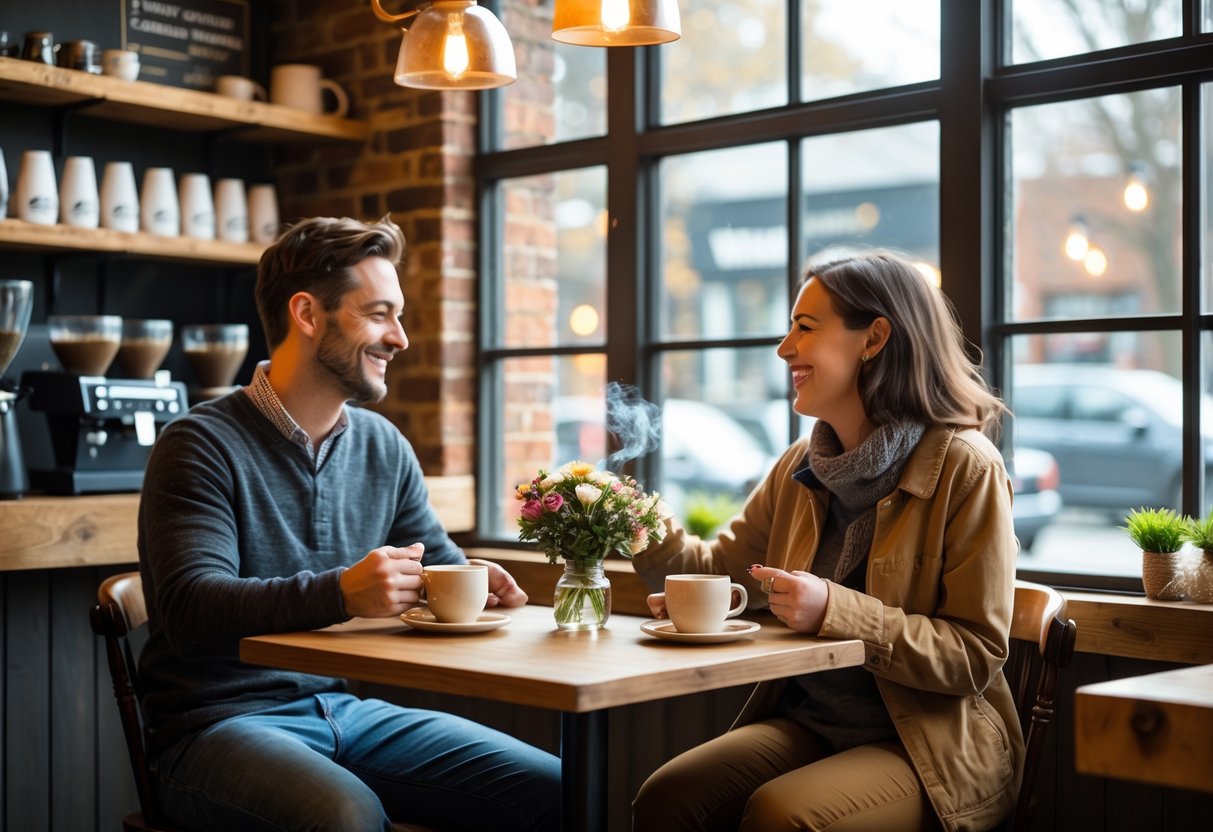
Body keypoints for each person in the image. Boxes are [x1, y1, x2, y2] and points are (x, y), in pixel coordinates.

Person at [137, 216, 560, 832]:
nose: (401, 338)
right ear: (307, 314)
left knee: (557, 789)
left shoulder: (383, 446)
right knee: (346, 817)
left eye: (399, 316)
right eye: (379, 314)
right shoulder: (199, 443)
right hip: (213, 726)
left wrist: (472, 582)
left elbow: (435, 567)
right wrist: (340, 593)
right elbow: (189, 610)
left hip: (343, 710)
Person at [631, 251, 1022, 832]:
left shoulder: (967, 468)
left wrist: (835, 610)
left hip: (931, 746)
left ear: (875, 337)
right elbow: (722, 571)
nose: (784, 348)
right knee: (667, 797)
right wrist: (636, 521)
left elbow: (974, 656)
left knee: (779, 816)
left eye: (804, 328)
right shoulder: (800, 467)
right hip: (813, 726)